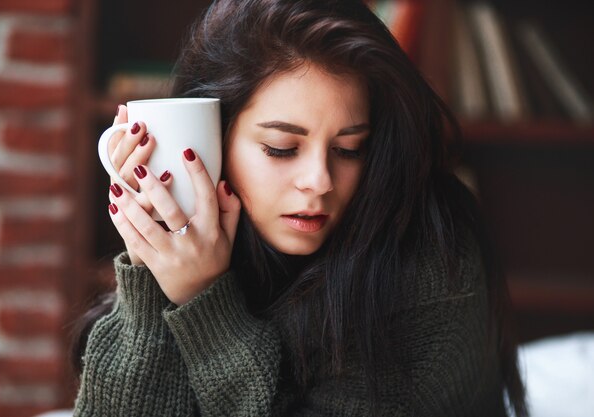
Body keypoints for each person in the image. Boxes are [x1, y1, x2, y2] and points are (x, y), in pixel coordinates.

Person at [71, 0, 528, 416]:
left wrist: (202, 301)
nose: (320, 182)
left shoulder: (434, 256)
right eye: (282, 148)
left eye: (350, 148)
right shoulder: (220, 238)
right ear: (214, 141)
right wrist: (155, 266)